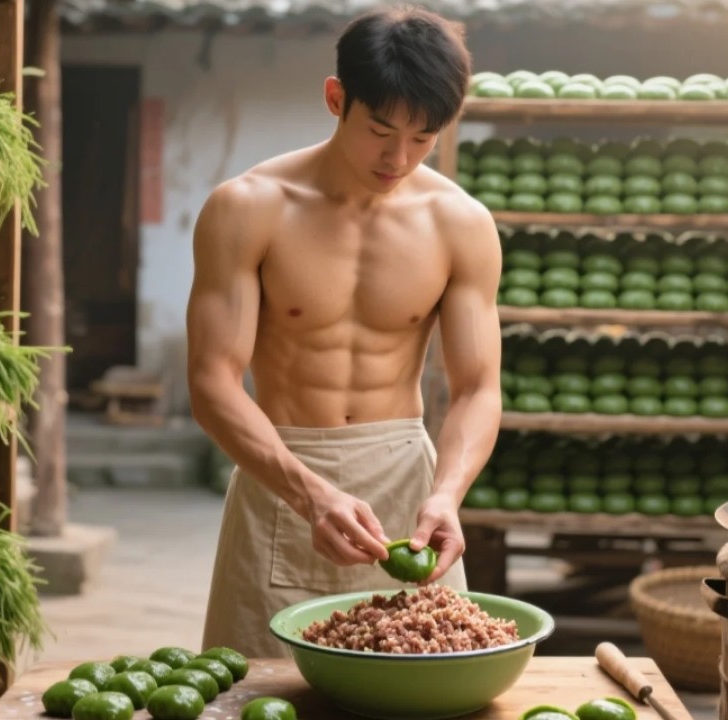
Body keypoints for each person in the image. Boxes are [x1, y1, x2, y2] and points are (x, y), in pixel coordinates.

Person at [188, 4, 502, 659]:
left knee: (423, 688)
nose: (398, 158)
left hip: (406, 483)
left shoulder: (460, 223)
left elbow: (477, 386)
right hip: (282, 476)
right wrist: (308, 493)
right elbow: (212, 383)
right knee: (258, 694)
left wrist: (446, 495)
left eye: (424, 138)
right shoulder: (249, 208)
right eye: (380, 129)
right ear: (337, 98)